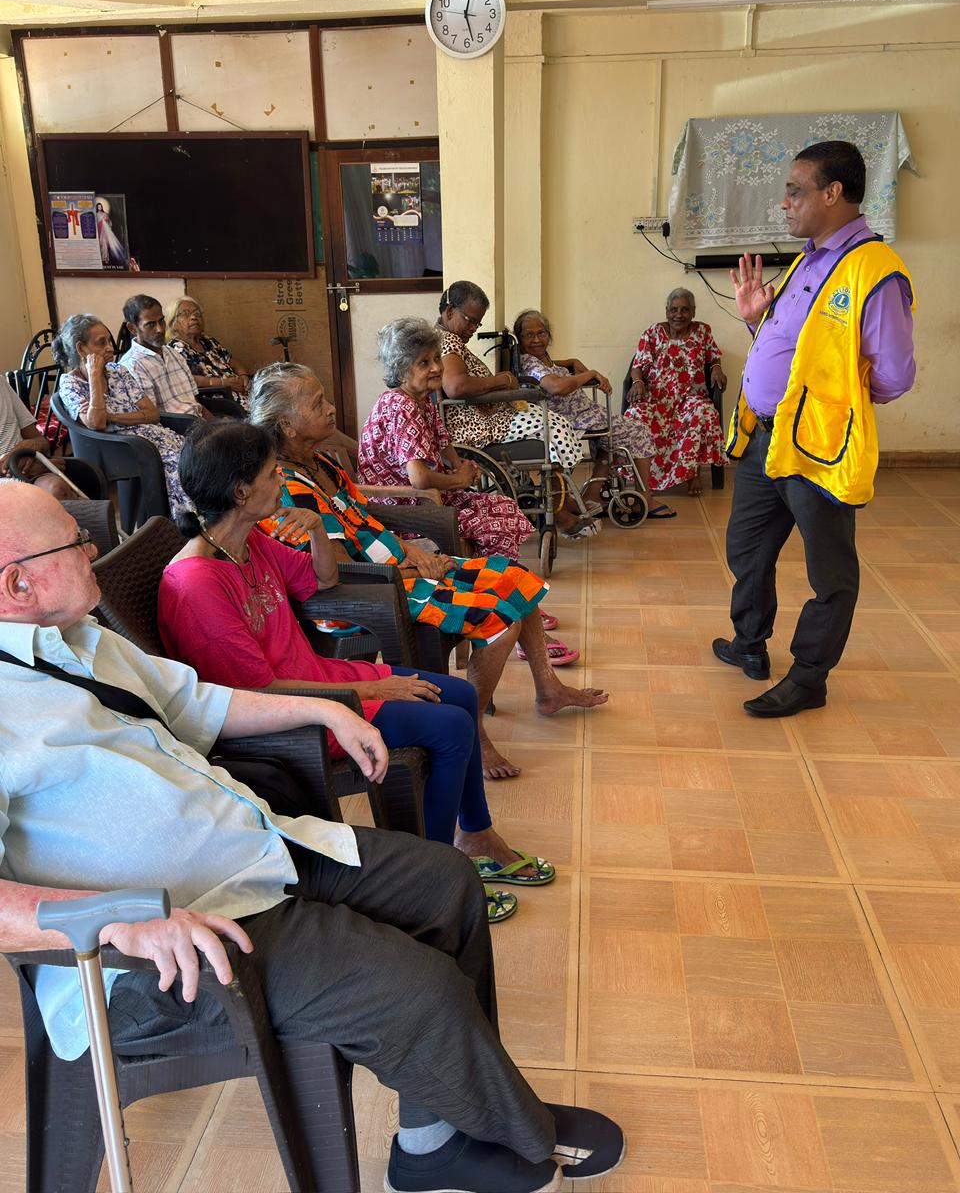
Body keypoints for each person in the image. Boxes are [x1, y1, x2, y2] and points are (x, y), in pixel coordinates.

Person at [0, 481, 623, 1193]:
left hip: (252, 849)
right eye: (75, 544)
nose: (91, 552)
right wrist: (118, 924)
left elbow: (195, 700)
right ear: (17, 582)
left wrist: (327, 709)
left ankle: (435, 1139)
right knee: (414, 989)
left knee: (445, 886)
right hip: (172, 941)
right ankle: (515, 1133)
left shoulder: (78, 641)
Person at [158, 419, 555, 915]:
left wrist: (318, 530)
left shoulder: (245, 541)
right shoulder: (198, 583)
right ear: (242, 492)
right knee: (451, 727)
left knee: (463, 696)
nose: (281, 480)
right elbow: (257, 692)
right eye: (271, 474)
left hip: (316, 683)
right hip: (288, 714)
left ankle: (474, 837)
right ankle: (430, 881)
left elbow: (320, 581)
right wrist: (376, 690)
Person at [248, 362, 609, 781]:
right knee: (498, 618)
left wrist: (413, 554)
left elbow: (364, 522)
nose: (331, 409)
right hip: (365, 595)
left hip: (394, 570)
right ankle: (471, 726)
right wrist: (409, 573)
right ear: (288, 426)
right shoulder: (285, 488)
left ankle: (548, 689)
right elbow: (330, 572)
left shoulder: (321, 465)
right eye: (318, 403)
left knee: (515, 578)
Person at [715, 139, 916, 718]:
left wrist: (835, 402)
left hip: (816, 446)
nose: (784, 202)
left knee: (830, 568)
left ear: (833, 193)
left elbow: (895, 374)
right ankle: (749, 644)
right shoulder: (808, 256)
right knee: (747, 549)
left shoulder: (876, 270)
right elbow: (794, 350)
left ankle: (809, 677)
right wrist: (757, 319)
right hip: (763, 437)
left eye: (795, 190)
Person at [359, 317, 536, 562]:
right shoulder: (401, 407)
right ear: (401, 372)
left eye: (436, 358)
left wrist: (461, 467)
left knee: (504, 507)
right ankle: (488, 581)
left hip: (424, 499)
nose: (436, 368)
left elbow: (443, 444)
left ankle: (493, 579)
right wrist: (459, 480)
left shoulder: (422, 400)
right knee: (495, 523)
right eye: (424, 363)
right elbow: (419, 479)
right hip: (403, 509)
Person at [437, 281, 600, 540]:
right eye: (470, 320)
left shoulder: (449, 340)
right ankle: (560, 512)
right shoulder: (447, 342)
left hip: (487, 418)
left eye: (477, 324)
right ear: (449, 312)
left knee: (555, 424)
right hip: (479, 426)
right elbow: (457, 387)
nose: (472, 328)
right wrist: (502, 380)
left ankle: (561, 499)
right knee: (554, 428)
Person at [515, 308, 674, 518]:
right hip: (571, 419)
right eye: (529, 335)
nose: (536, 339)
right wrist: (591, 374)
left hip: (585, 415)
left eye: (541, 333)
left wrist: (571, 362)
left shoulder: (542, 358)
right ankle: (645, 497)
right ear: (520, 339)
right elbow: (557, 387)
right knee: (639, 430)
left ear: (549, 334)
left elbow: (554, 368)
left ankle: (593, 493)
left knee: (614, 437)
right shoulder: (530, 362)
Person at [54, 313, 191, 515]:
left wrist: (114, 417)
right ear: (81, 349)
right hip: (119, 446)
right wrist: (94, 377)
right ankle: (186, 524)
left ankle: (210, 519)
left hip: (154, 436)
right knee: (178, 463)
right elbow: (97, 422)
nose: (111, 347)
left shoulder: (118, 371)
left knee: (196, 456)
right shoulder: (70, 383)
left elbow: (152, 414)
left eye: (109, 340)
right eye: (102, 343)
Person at [624, 288, 727, 498]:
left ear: (693, 312)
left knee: (702, 412)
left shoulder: (703, 332)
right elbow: (638, 365)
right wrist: (637, 382)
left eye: (684, 310)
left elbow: (713, 357)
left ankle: (692, 473)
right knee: (636, 415)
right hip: (656, 397)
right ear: (666, 311)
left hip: (691, 396)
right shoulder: (652, 333)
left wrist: (716, 369)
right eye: (673, 310)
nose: (678, 315)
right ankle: (643, 478)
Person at [118, 293, 210, 419]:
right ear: (133, 328)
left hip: (199, 422)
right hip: (176, 430)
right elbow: (152, 418)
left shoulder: (173, 354)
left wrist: (216, 423)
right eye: (151, 324)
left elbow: (196, 402)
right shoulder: (132, 366)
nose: (160, 329)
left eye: (161, 321)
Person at [165, 294, 250, 407]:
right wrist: (224, 383)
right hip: (218, 399)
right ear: (173, 323)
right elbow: (184, 379)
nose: (193, 317)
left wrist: (244, 376)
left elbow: (232, 361)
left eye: (197, 313)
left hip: (240, 391)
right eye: (185, 314)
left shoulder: (208, 341)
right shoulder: (175, 348)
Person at [0, 378, 72, 500]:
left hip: (28, 470)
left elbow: (41, 441)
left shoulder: (1, 384)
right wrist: (16, 466)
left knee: (57, 490)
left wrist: (33, 446)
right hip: (7, 474)